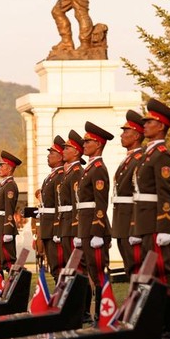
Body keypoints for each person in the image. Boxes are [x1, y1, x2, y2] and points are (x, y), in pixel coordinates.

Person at [133, 99, 170, 339]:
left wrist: (163, 226)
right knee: (150, 274)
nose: (145, 125)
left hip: (155, 223)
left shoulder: (161, 155)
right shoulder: (148, 154)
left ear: (161, 126)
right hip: (145, 221)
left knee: (163, 274)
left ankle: (168, 327)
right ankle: (156, 321)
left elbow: (164, 193)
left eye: (149, 122)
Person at [76, 122, 114, 325]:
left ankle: (103, 314)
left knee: (99, 274)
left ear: (98, 144)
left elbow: (101, 202)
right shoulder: (89, 168)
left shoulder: (98, 169)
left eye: (87, 141)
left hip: (94, 227)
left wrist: (98, 231)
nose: (84, 143)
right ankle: (98, 313)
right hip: (86, 227)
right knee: (92, 271)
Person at [113, 111, 145, 280]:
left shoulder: (139, 159)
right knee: (130, 269)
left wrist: (136, 226)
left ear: (137, 135)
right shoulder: (128, 160)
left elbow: (138, 194)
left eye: (126, 132)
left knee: (137, 268)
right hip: (122, 220)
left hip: (131, 222)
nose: (122, 135)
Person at [40, 136, 65, 280]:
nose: (48, 156)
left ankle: (62, 297)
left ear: (61, 157)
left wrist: (57, 228)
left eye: (52, 153)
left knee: (58, 265)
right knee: (54, 266)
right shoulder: (51, 177)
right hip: (47, 225)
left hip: (53, 227)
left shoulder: (60, 177)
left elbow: (59, 204)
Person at [0, 151, 22, 272]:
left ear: (9, 169)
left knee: (9, 261)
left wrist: (8, 230)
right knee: (1, 260)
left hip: (4, 228)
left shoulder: (10, 185)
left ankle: (15, 287)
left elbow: (9, 209)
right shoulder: (3, 185)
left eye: (2, 166)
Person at [59, 130, 85, 265]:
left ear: (76, 152)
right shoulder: (69, 173)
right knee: (71, 265)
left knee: (77, 265)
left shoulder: (76, 172)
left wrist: (76, 228)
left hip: (71, 225)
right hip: (66, 223)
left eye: (67, 148)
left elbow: (76, 202)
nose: (63, 151)